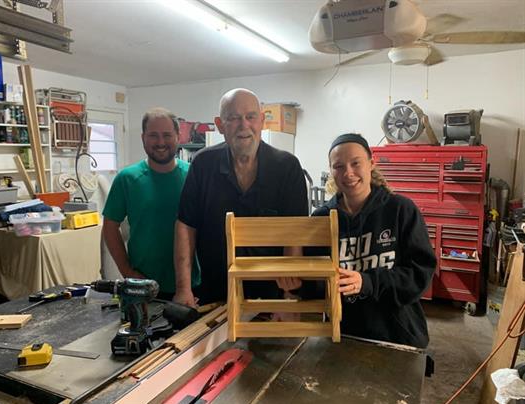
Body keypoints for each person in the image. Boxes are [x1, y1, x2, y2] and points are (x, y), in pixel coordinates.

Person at [174, 88, 308, 306]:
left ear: (262, 120)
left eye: (250, 117)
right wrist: (183, 289)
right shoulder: (202, 164)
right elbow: (185, 226)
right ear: (219, 125)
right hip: (215, 294)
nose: (244, 125)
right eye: (233, 118)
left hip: (271, 295)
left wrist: (289, 295)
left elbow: (295, 231)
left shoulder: (287, 167)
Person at [306, 133, 436, 348]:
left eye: (355, 163)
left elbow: (419, 275)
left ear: (371, 163)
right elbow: (314, 282)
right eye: (338, 166)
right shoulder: (320, 219)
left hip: (394, 337)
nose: (348, 173)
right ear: (331, 171)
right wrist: (294, 286)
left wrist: (367, 282)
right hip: (340, 336)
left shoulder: (401, 210)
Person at [102, 107, 200, 299]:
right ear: (143, 138)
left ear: (178, 137)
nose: (161, 142)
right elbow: (110, 227)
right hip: (142, 286)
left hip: (192, 284)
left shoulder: (194, 176)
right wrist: (127, 272)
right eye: (153, 135)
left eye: (167, 135)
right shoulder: (127, 179)